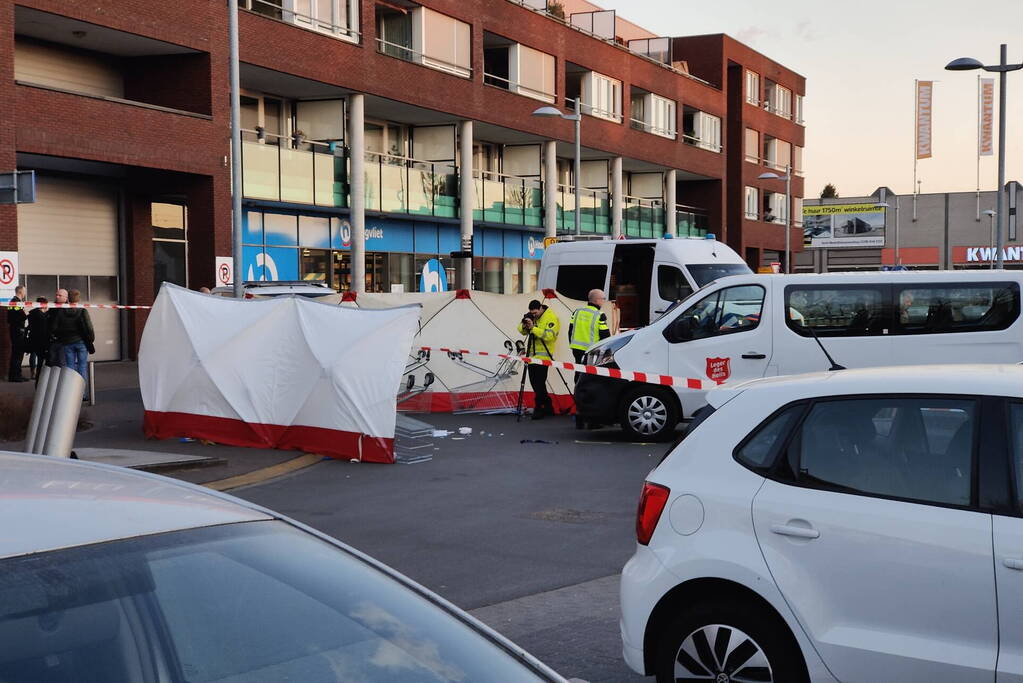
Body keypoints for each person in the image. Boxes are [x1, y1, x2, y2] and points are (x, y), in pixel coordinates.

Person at [518, 298, 560, 420]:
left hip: (543, 356)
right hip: (531, 356)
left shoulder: (551, 317)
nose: (534, 315)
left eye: (536, 313)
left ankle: (539, 408)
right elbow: (521, 331)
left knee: (539, 383)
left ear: (541, 308)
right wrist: (525, 324)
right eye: (532, 313)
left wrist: (533, 328)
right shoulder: (532, 316)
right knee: (535, 383)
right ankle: (548, 407)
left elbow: (549, 336)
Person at [49, 288, 94, 390]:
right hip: (81, 342)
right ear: (78, 299)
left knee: (70, 368)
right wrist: (91, 339)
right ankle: (82, 394)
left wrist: (61, 335)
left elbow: (54, 327)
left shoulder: (62, 312)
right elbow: (89, 327)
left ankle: (70, 393)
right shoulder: (82, 310)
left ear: (68, 298)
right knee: (82, 367)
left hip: (67, 342)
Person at [568, 289, 610, 363]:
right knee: (587, 373)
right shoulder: (600, 315)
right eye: (603, 299)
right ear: (597, 300)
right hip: (591, 351)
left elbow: (570, 330)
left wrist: (572, 344)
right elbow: (605, 335)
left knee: (578, 371)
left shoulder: (577, 312)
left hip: (576, 349)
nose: (604, 301)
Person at [7, 285, 28, 382]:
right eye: (24, 291)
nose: (25, 293)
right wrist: (25, 313)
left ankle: (15, 375)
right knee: (18, 353)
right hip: (18, 330)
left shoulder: (12, 301)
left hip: (14, 329)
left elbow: (10, 317)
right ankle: (16, 376)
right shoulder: (17, 302)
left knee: (16, 353)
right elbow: (22, 316)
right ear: (20, 292)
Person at [25, 297, 50, 382]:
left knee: (33, 354)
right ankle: (40, 374)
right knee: (41, 358)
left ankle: (33, 372)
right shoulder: (42, 315)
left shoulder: (32, 313)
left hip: (32, 337)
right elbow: (44, 327)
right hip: (40, 339)